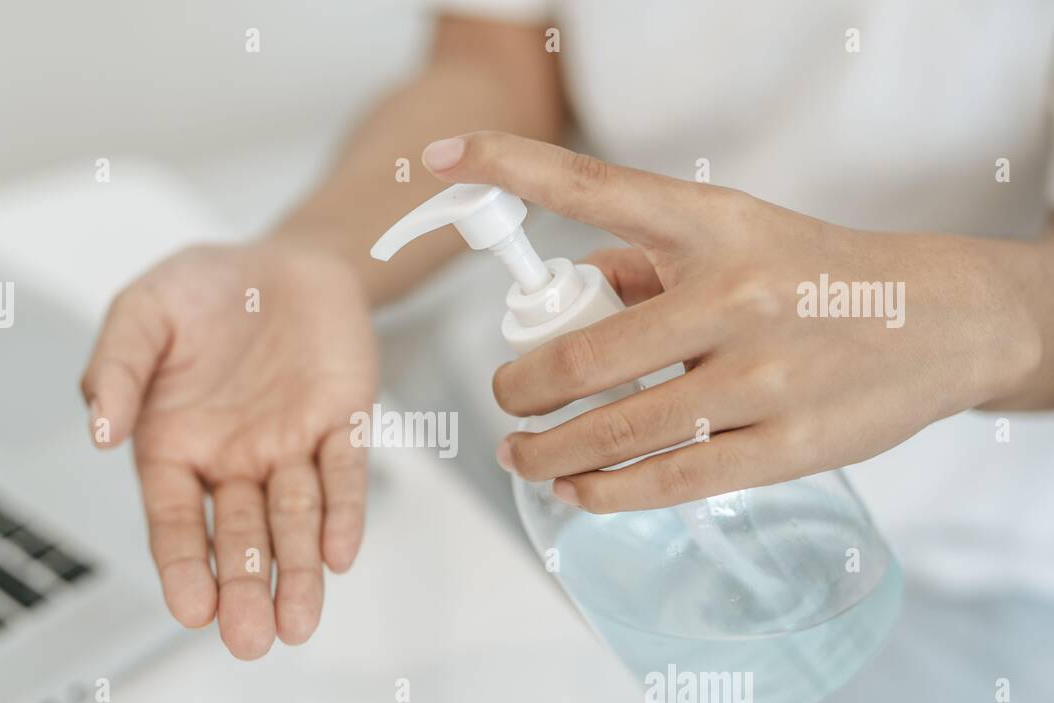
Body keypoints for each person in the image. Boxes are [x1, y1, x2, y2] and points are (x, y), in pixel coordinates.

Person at [80, 2, 1054, 662]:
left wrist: (974, 322)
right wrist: (310, 257)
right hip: (555, 432)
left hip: (944, 556)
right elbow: (498, 65)